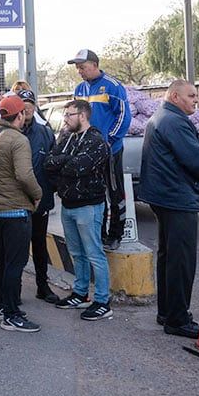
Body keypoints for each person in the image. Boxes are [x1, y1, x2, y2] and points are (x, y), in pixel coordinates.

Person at [139, 80, 199, 339]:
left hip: (165, 196)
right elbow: (195, 158)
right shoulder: (174, 121)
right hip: (176, 197)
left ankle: (167, 312)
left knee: (169, 257)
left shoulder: (162, 116)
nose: (196, 100)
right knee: (181, 260)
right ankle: (177, 319)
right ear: (175, 96)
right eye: (191, 95)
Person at [0, 94, 43, 333]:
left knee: (0, 261)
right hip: (16, 210)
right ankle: (12, 315)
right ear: (20, 115)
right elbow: (24, 175)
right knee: (15, 264)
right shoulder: (18, 139)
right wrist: (37, 194)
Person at [45, 99, 113, 321]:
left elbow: (78, 167)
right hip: (68, 204)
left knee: (94, 254)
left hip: (89, 206)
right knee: (77, 253)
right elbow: (48, 162)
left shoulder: (96, 141)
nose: (65, 119)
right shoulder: (66, 137)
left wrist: (62, 163)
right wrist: (65, 161)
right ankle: (80, 293)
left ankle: (102, 301)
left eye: (69, 115)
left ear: (82, 116)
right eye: (65, 115)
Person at [69, 49, 131, 250]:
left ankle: (116, 235)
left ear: (95, 65)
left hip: (110, 151)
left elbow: (123, 115)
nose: (79, 71)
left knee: (114, 193)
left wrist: (109, 140)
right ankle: (99, 233)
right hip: (87, 153)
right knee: (95, 194)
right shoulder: (79, 89)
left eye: (83, 67)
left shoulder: (113, 86)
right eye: (77, 68)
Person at [18, 89, 58, 304]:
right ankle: (14, 289)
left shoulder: (45, 132)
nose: (27, 108)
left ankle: (43, 286)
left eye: (30, 104)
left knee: (40, 244)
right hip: (16, 200)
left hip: (40, 199)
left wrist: (50, 190)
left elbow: (54, 162)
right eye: (23, 104)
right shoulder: (9, 131)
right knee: (18, 247)